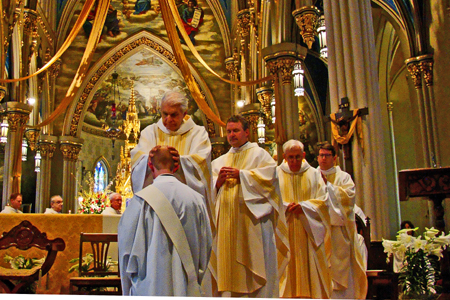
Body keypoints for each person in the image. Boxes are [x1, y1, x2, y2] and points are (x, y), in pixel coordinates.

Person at [211, 115, 289, 297]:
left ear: (247, 132)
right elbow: (208, 188)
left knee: (256, 268)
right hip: (226, 226)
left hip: (251, 225)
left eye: (236, 130)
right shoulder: (220, 161)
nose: (231, 135)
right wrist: (217, 182)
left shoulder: (260, 155)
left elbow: (270, 179)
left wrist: (243, 176)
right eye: (229, 131)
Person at [118, 146, 212, 296]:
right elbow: (206, 246)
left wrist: (128, 287)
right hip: (187, 288)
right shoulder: (196, 200)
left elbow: (125, 251)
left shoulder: (139, 201)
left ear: (150, 166)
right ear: (176, 166)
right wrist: (194, 278)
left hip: (148, 289)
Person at [130, 90, 213, 223]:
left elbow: (201, 162)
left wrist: (180, 161)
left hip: (185, 206)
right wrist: (149, 159)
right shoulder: (150, 132)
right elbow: (137, 159)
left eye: (174, 115)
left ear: (184, 114)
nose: (168, 119)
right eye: (165, 114)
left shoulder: (198, 133)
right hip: (156, 204)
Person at [276, 139, 332, 298]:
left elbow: (324, 201)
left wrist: (305, 207)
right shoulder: (276, 174)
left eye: (297, 157)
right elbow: (270, 200)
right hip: (284, 228)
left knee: (311, 275)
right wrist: (285, 207)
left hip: (309, 232)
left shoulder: (314, 174)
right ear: (284, 157)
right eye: (290, 157)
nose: (294, 161)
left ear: (304, 155)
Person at [317, 142, 367, 299]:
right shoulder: (311, 175)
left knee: (340, 279)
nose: (323, 159)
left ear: (335, 158)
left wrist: (328, 187)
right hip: (318, 233)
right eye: (321, 155)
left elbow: (348, 201)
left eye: (327, 155)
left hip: (339, 235)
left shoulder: (343, 177)